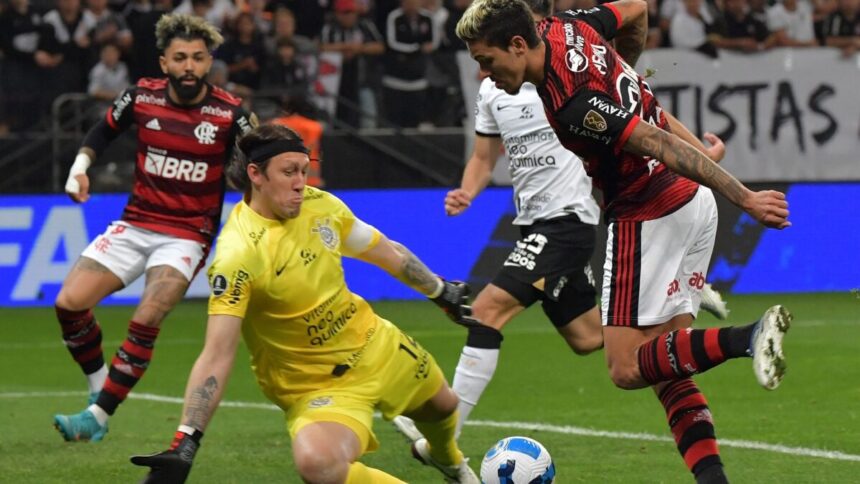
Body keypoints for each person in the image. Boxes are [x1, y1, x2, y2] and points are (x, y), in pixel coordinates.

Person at [455, 1, 792, 482]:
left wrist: (744, 196)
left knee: (627, 366)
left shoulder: (572, 105)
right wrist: (628, 77)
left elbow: (654, 143)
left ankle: (749, 337)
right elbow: (636, 9)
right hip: (692, 204)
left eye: (486, 61)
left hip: (648, 209)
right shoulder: (569, 27)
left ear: (516, 44)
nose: (485, 76)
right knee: (668, 362)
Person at [395, 0, 728, 443]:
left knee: (486, 311)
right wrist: (467, 192)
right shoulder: (498, 88)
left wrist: (701, 157)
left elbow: (647, 118)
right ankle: (675, 284)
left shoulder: (569, 74)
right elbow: (482, 156)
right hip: (533, 222)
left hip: (567, 220)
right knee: (590, 338)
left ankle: (441, 435)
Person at [129, 124, 480, 484]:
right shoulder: (238, 255)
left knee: (443, 408)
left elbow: (387, 252)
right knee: (319, 465)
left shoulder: (321, 206)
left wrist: (440, 292)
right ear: (256, 175)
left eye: (303, 170)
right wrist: (186, 439)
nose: (300, 182)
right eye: (288, 172)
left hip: (376, 347)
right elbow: (217, 354)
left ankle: (446, 459)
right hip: (316, 388)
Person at [52, 13, 257, 442]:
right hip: (136, 222)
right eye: (180, 58)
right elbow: (102, 130)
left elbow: (262, 159)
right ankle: (97, 386)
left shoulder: (230, 113)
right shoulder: (141, 97)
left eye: (198, 58)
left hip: (187, 233)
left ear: (208, 62)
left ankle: (98, 417)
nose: (189, 67)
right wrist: (81, 166)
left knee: (147, 317)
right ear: (164, 62)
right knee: (69, 304)